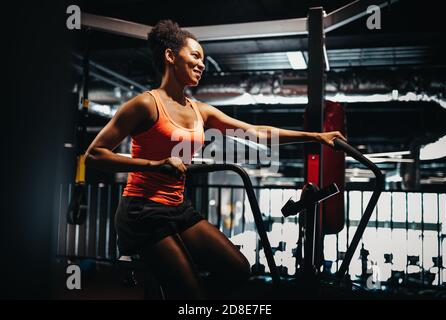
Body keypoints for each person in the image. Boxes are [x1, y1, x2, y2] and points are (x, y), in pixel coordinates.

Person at [84, 19, 346, 300]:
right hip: (141, 212)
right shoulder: (146, 104)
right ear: (170, 56)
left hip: (177, 208)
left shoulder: (201, 111)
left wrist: (316, 136)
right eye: (195, 56)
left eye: (203, 59)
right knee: (192, 295)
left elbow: (256, 132)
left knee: (237, 269)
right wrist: (154, 165)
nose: (202, 64)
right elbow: (95, 155)